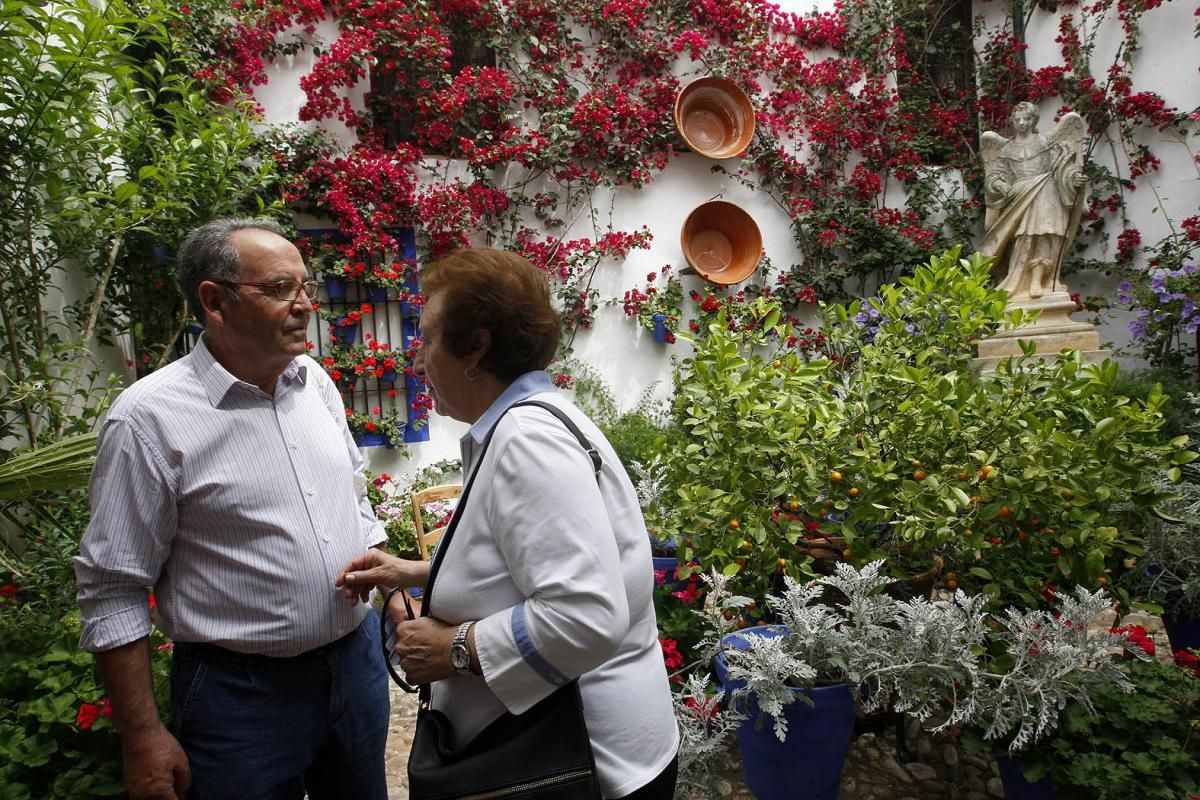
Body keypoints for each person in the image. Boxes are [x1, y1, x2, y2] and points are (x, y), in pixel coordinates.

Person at [337, 247, 680, 799]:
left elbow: (586, 613)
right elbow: (534, 563)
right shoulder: (539, 419)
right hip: (590, 752)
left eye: (425, 338)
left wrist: (454, 647)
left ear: (475, 348)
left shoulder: (527, 441)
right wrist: (414, 571)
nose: (417, 361)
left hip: (582, 763)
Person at [74, 218, 390, 800]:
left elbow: (356, 500)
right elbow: (112, 586)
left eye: (306, 287)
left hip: (355, 664)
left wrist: (394, 595)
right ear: (214, 302)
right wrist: (142, 736)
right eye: (279, 289)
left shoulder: (314, 381)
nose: (305, 306)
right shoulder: (149, 418)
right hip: (240, 698)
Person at [980, 101, 1088, 300]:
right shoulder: (1006, 149)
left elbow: (1063, 168)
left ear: (1034, 120)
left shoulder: (1046, 142)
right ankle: (1020, 280)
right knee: (1024, 237)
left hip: (1046, 192)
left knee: (1048, 234)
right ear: (1012, 121)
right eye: (1018, 119)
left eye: (1027, 119)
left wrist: (1074, 178)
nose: (1022, 123)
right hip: (1020, 196)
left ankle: (1045, 280)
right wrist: (1000, 185)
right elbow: (994, 176)